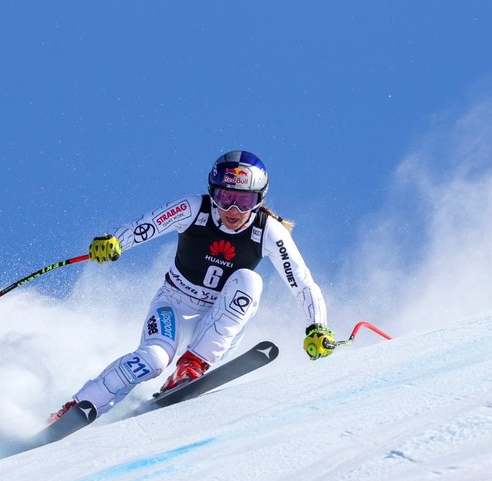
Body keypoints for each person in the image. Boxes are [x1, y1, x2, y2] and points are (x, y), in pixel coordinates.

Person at [50, 150, 335, 423]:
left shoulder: (268, 231)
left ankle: (192, 365)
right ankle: (77, 406)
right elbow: (147, 226)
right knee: (151, 360)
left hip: (220, 319)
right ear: (213, 192)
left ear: (259, 201)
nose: (233, 210)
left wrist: (317, 326)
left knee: (250, 281)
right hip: (174, 304)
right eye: (225, 198)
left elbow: (302, 283)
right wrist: (116, 241)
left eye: (244, 202)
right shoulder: (193, 208)